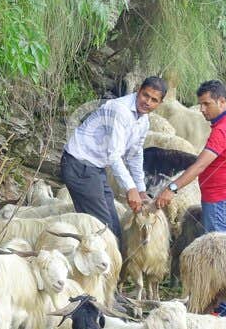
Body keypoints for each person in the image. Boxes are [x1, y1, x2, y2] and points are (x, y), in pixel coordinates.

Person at [155, 80, 226, 314]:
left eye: (207, 104)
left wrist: (172, 188)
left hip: (220, 200)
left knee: (218, 256)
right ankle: (218, 306)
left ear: (222, 101)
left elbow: (199, 166)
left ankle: (222, 310)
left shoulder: (223, 130)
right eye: (200, 105)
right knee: (220, 252)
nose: (202, 110)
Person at [60, 76, 165, 249]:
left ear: (159, 104)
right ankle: (101, 270)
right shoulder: (120, 110)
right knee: (103, 230)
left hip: (96, 168)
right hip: (79, 165)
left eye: (154, 100)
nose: (147, 102)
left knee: (114, 227)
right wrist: (130, 189)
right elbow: (114, 155)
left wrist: (141, 189)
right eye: (145, 95)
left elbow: (135, 154)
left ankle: (116, 271)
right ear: (138, 91)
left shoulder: (143, 120)